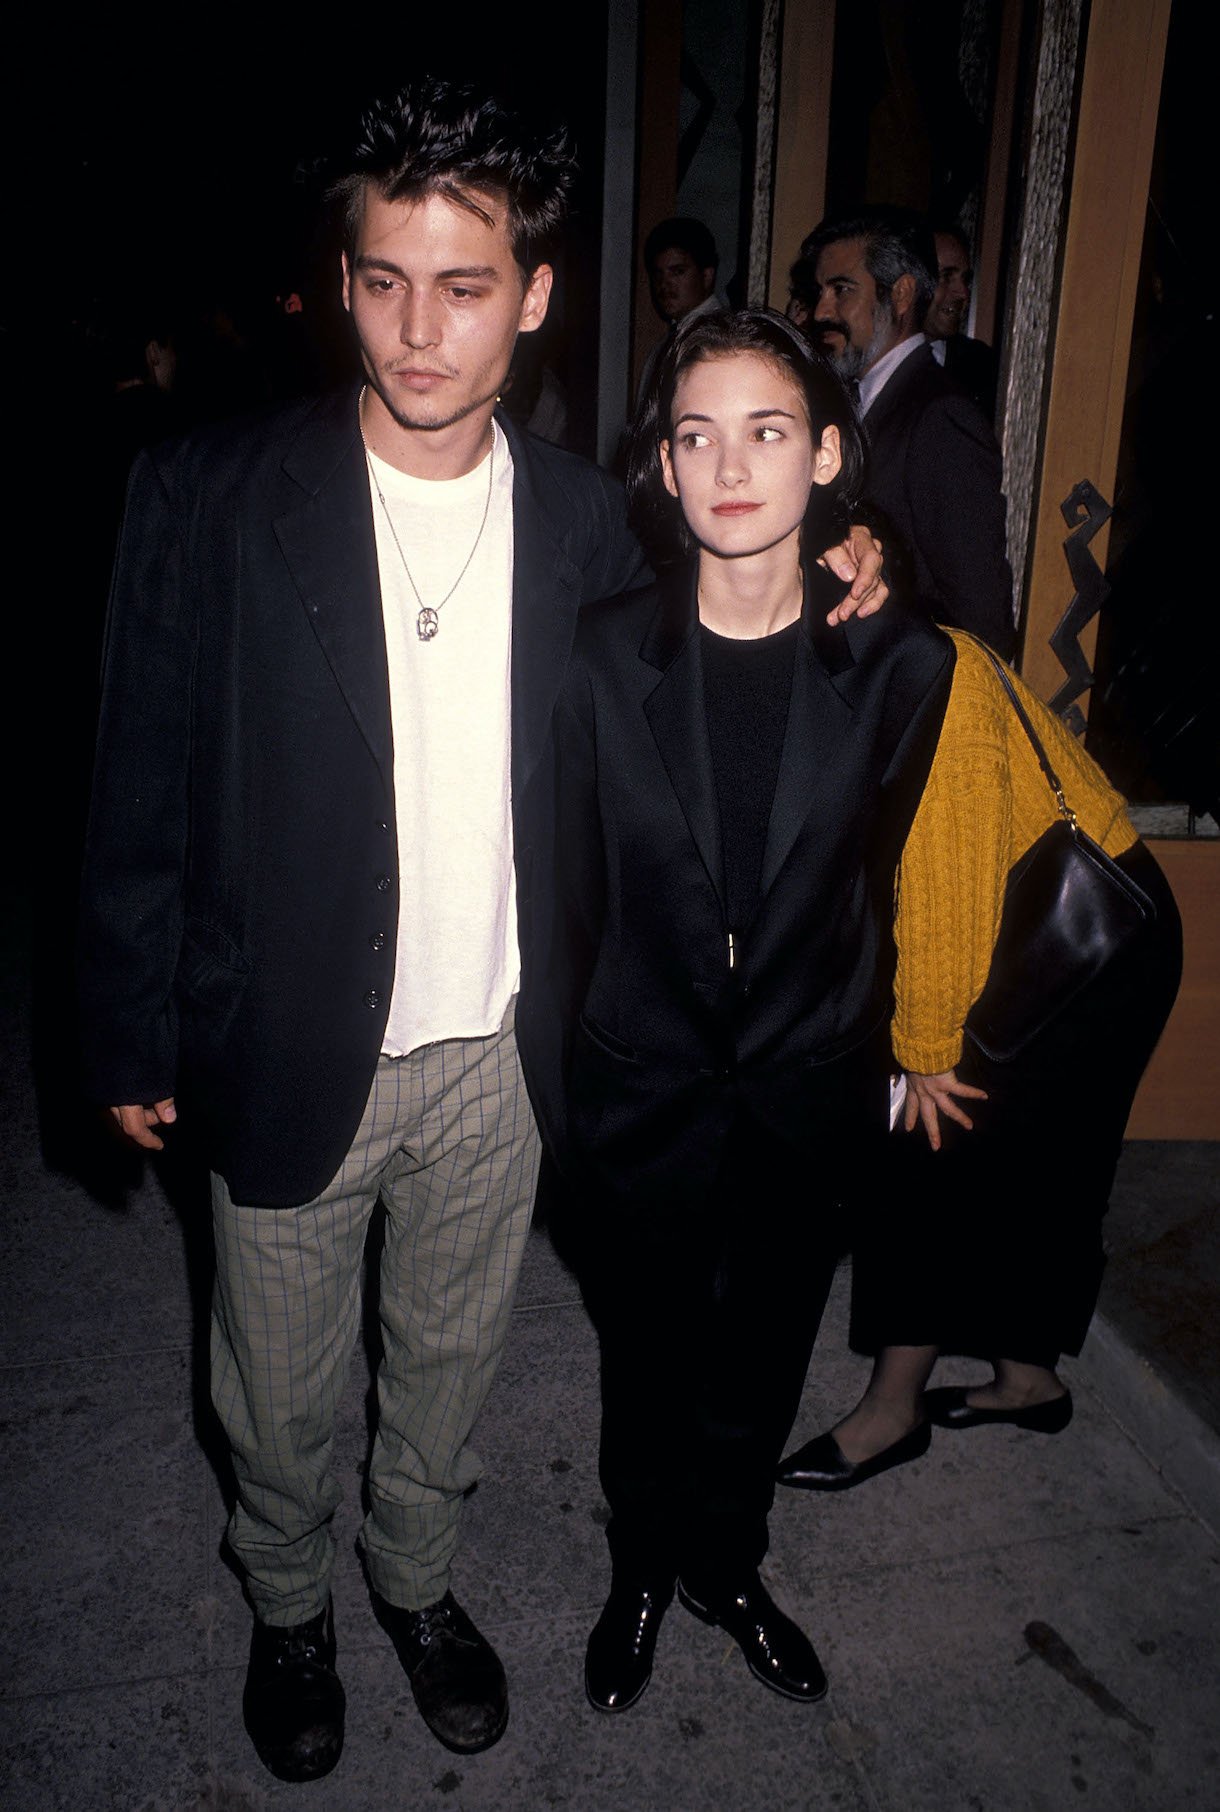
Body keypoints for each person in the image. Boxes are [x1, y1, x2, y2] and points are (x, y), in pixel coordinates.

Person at [76, 81, 889, 1783]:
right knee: (274, 1396)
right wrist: (128, 1024)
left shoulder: (601, 522)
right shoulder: (210, 494)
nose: (418, 327)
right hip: (286, 1034)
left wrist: (855, 554)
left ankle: (419, 1584)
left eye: (463, 286)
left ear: (533, 294)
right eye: (384, 279)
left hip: (506, 1057)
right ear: (343, 276)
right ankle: (291, 1605)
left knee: (446, 1372)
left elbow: (746, 598)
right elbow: (137, 774)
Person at [536, 309, 954, 1714]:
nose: (730, 464)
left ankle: (728, 1562)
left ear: (827, 455)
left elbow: (880, 882)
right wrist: (572, 1112)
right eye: (696, 434)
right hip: (638, 1088)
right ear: (659, 464)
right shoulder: (598, 659)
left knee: (765, 1356)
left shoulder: (903, 665)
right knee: (643, 1364)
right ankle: (643, 1567)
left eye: (767, 431)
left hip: (802, 1092)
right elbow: (567, 905)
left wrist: (897, 1051)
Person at [777, 632, 1182, 1492]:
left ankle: (892, 1413)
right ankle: (1029, 1380)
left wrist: (924, 1053)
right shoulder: (861, 659)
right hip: (1066, 930)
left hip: (1089, 942)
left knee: (929, 1155)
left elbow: (945, 875)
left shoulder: (932, 672)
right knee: (1041, 1164)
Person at [802, 205, 1016, 658]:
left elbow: (983, 621)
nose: (822, 310)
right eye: (820, 290)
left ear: (900, 295)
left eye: (841, 290)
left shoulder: (941, 416)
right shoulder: (844, 401)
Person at [924, 221, 998, 421]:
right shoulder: (871, 360)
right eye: (946, 276)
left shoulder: (984, 366)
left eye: (965, 279)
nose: (963, 293)